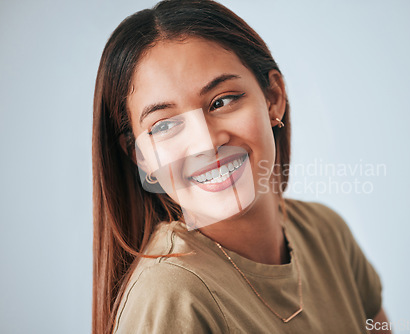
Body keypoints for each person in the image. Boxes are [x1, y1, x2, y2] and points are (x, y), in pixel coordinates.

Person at [92, 0, 390, 333]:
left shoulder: (326, 233)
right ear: (141, 156)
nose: (206, 144)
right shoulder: (170, 294)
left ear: (273, 96)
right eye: (164, 126)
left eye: (222, 101)